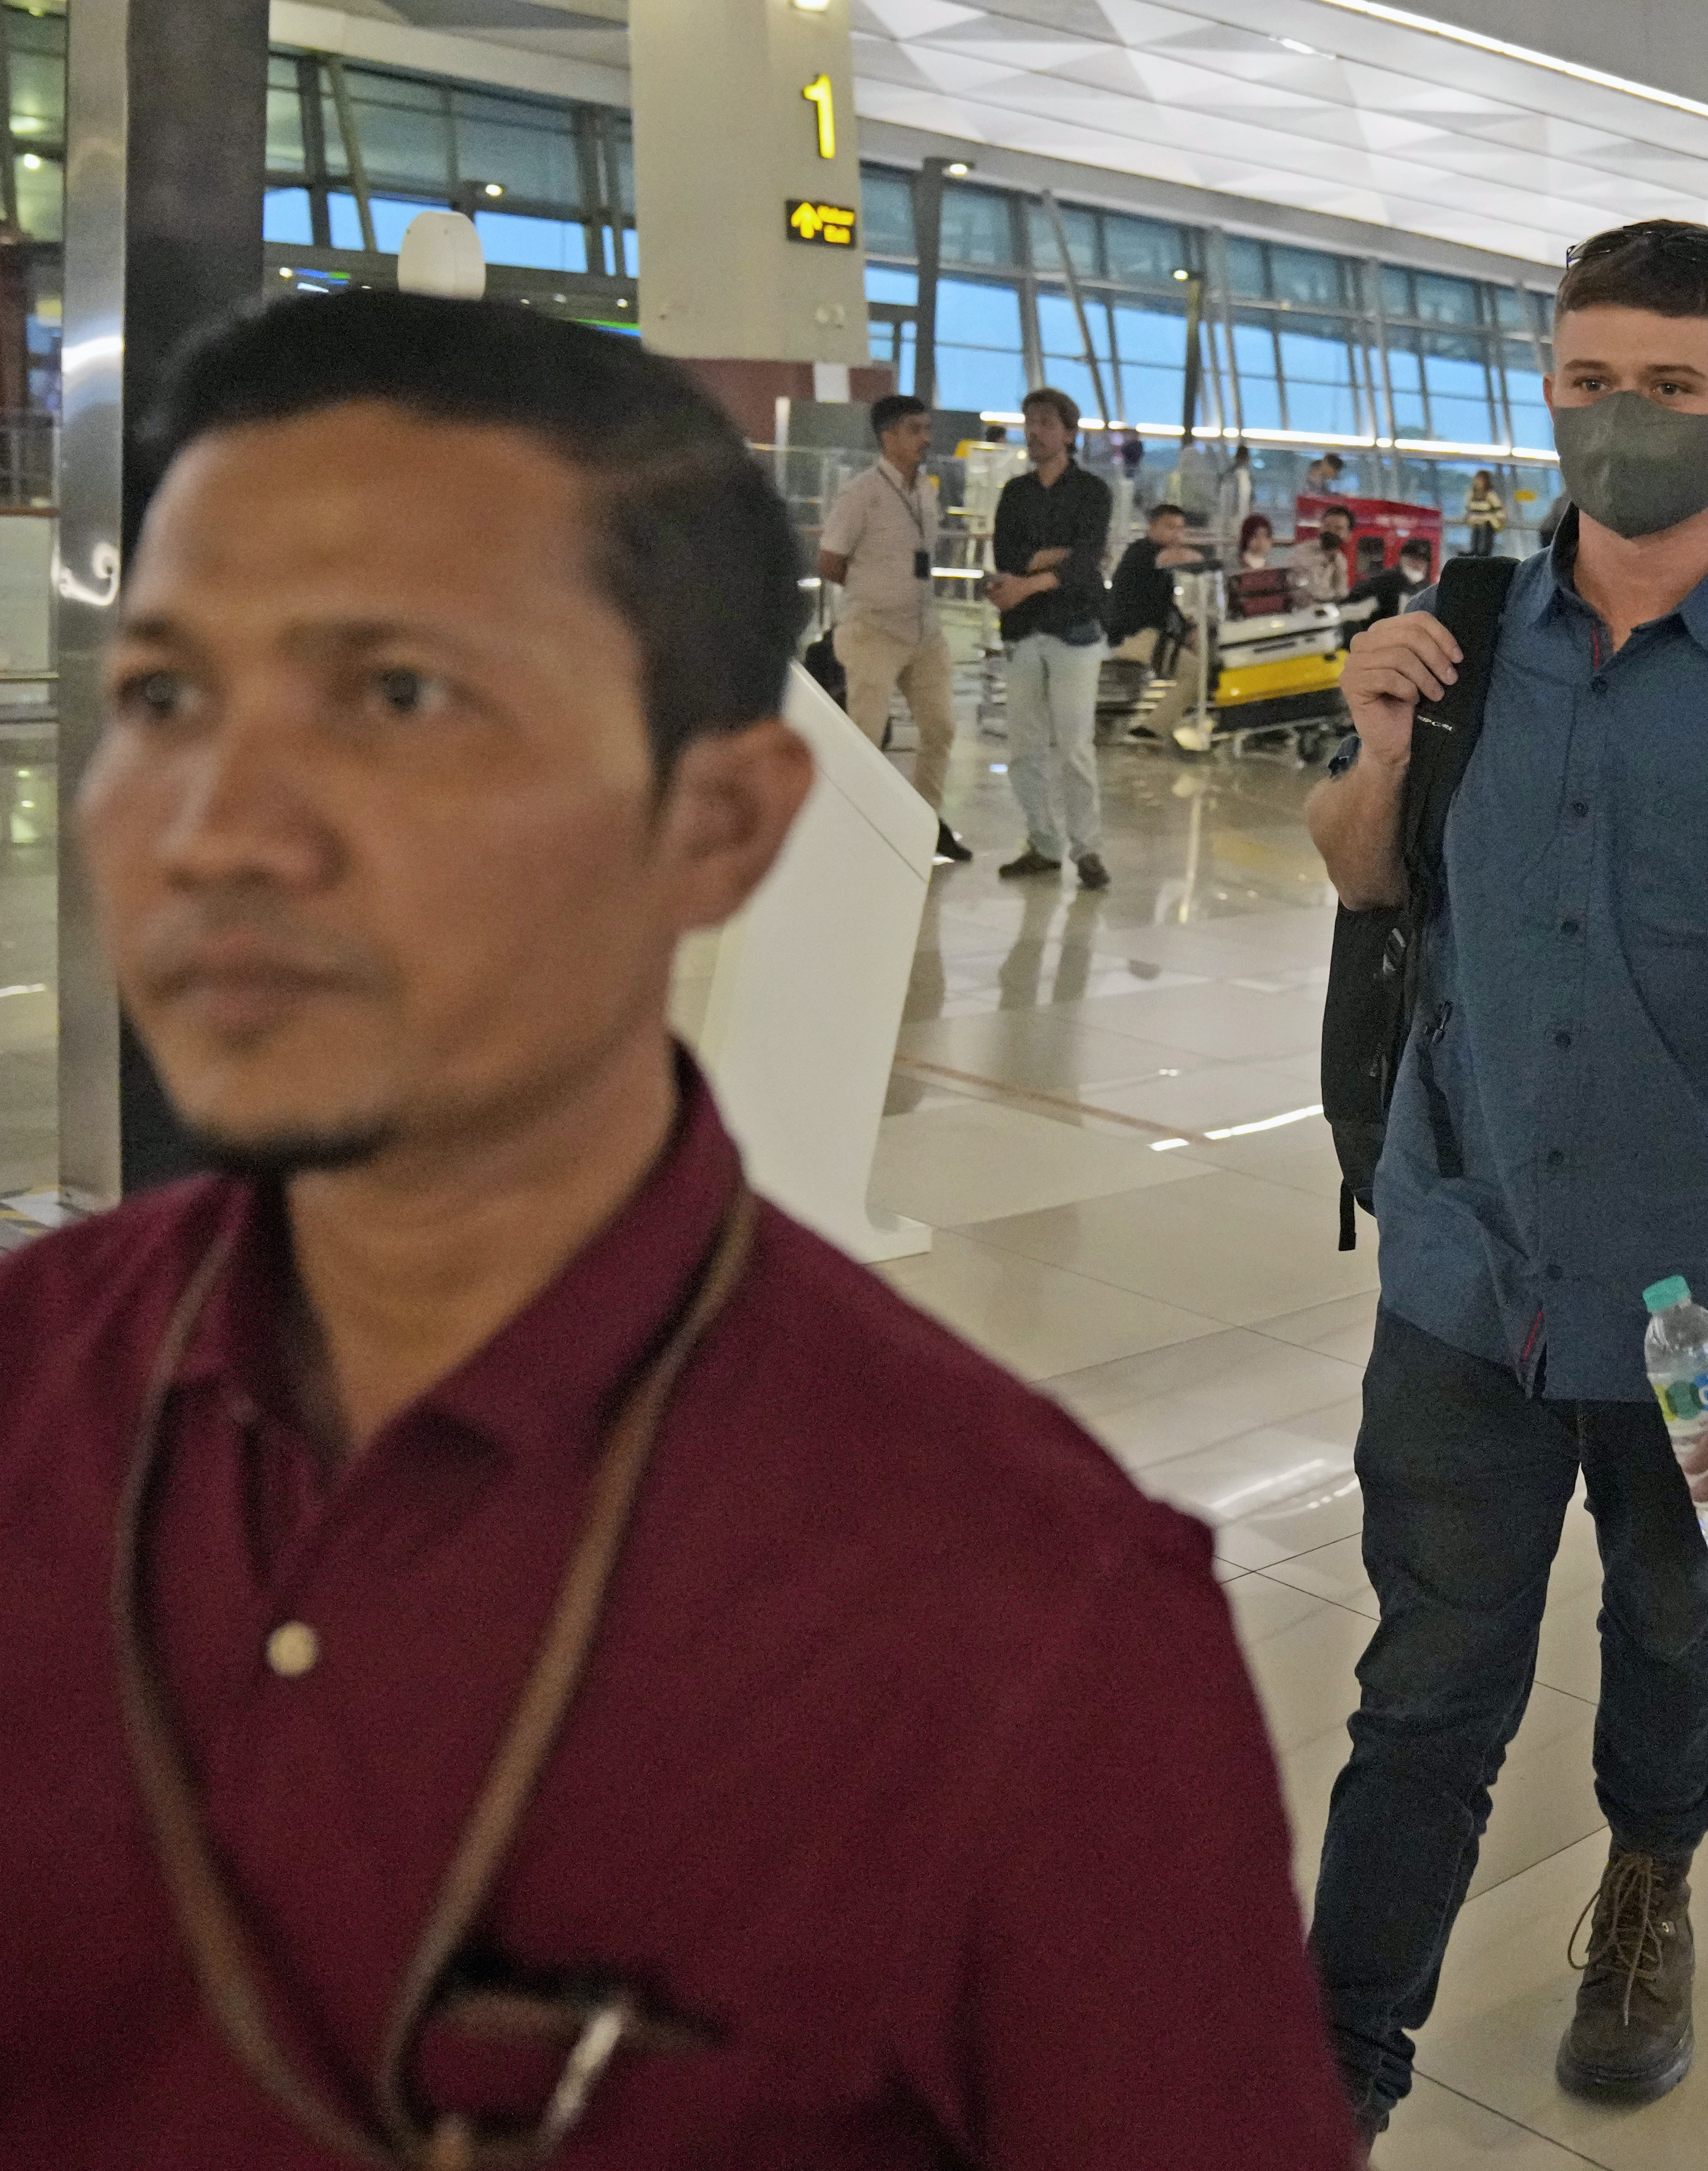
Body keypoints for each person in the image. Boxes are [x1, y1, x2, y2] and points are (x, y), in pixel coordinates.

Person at [0, 289, 1351, 2168]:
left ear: (723, 821)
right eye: (163, 696)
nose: (223, 825)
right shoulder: (32, 1390)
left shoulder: (1027, 1626)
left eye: (399, 695)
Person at [1301, 218, 1708, 2153]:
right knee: (1426, 1683)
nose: (1626, 420)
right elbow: (1364, 873)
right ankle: (1327, 2071)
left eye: (1673, 388)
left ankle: (1650, 1878)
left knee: (1673, 1628)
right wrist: (1380, 737)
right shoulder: (1473, 631)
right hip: (1464, 1259)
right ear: (1549, 387)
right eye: (1593, 378)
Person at [818, 391, 967, 862]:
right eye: (915, 430)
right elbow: (829, 560)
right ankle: (855, 827)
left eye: (927, 429)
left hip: (924, 631)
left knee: (940, 726)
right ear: (888, 437)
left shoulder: (926, 490)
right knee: (867, 733)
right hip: (873, 631)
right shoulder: (861, 493)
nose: (926, 438)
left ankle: (926, 822)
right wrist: (872, 592)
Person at [987, 385, 1113, 891]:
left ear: (1067, 432)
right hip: (1024, 632)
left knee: (1075, 745)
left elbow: (1087, 562)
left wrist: (1032, 580)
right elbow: (1008, 555)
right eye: (1029, 422)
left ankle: (1087, 848)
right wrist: (1048, 561)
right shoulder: (1015, 493)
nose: (1034, 431)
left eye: (1045, 422)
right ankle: (1042, 841)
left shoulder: (1092, 493)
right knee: (1024, 746)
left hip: (1074, 632)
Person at [1106, 501, 1210, 753]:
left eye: (1181, 529)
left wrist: (1188, 630)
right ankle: (1150, 729)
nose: (1177, 534)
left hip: (1146, 636)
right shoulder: (1143, 552)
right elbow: (1189, 557)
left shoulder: (1160, 564)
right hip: (1134, 637)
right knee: (1197, 673)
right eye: (1170, 527)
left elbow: (1166, 607)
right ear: (1152, 527)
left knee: (1201, 662)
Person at [1344, 534, 1432, 626]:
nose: (1418, 564)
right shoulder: (1382, 583)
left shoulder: (1427, 590)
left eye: (1423, 561)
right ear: (1402, 559)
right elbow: (1353, 612)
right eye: (1413, 559)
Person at [1294, 504, 1357, 605]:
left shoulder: (1340, 560)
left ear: (1348, 535)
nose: (1331, 532)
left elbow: (1341, 592)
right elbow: (1309, 591)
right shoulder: (1303, 553)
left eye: (1338, 529)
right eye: (1327, 526)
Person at [1463, 469, 1505, 556]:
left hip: (1488, 523)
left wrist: (1499, 521)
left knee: (1486, 542)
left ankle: (1483, 555)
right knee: (1476, 539)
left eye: (1480, 480)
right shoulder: (1472, 495)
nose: (1477, 482)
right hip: (1476, 522)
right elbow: (1469, 509)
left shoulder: (1490, 495)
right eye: (1477, 479)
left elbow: (1498, 510)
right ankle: (1474, 552)